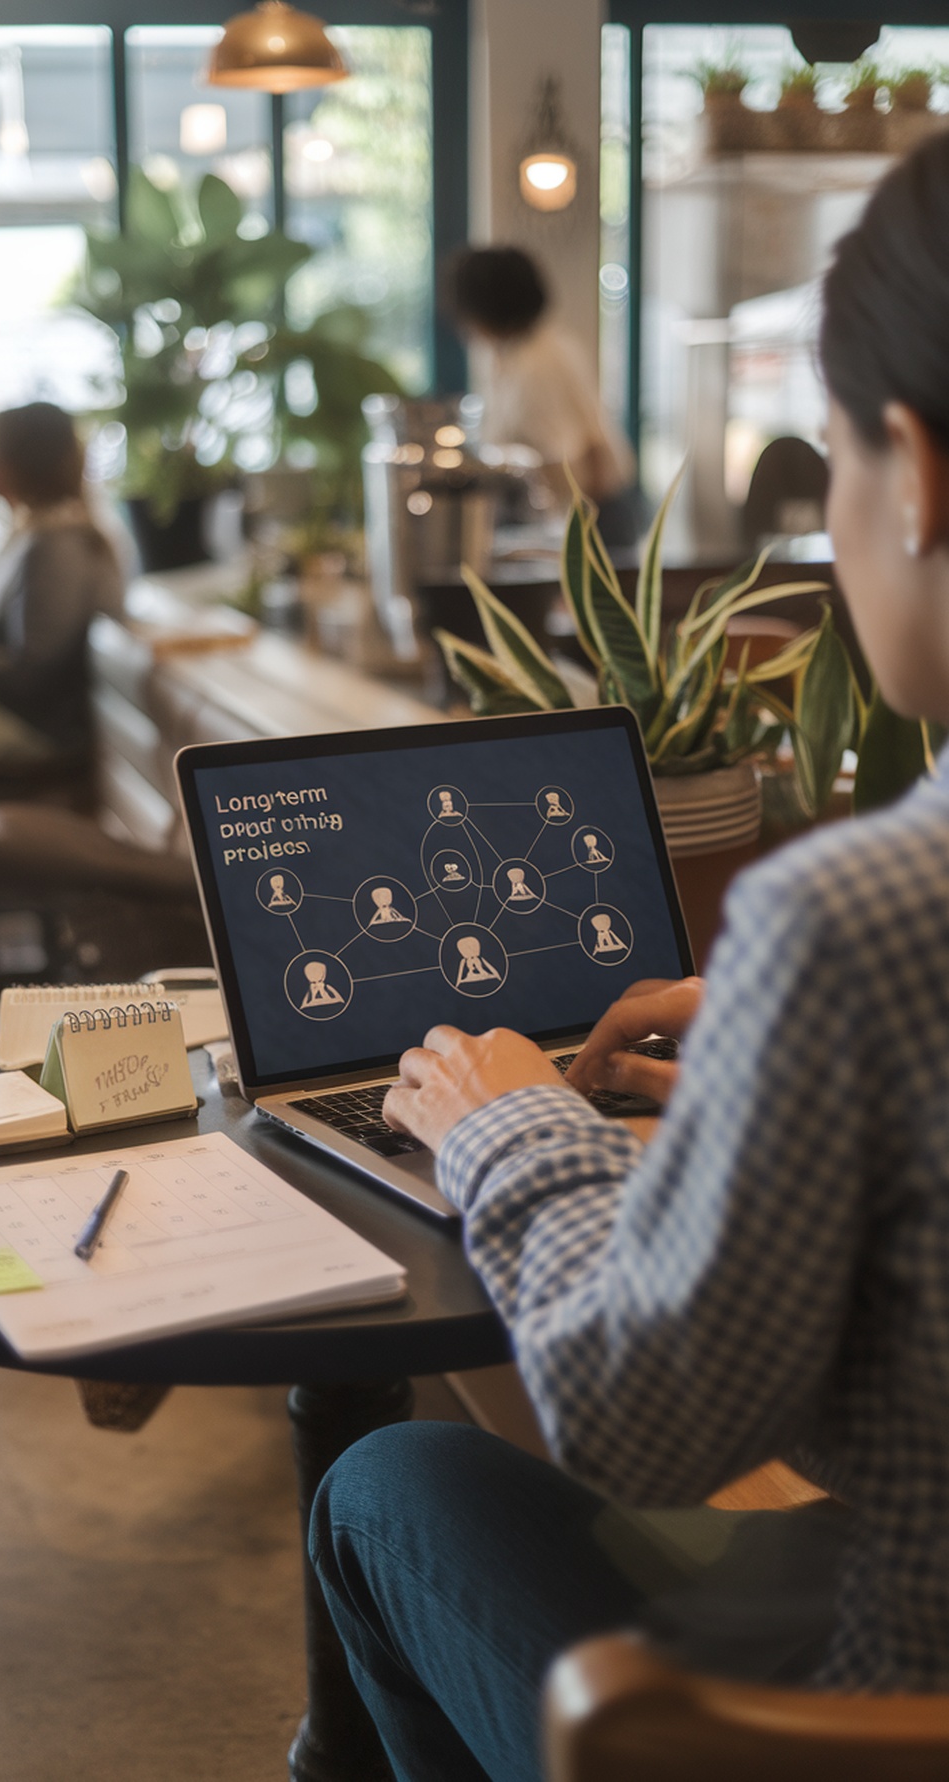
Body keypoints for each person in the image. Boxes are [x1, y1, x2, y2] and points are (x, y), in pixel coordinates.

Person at [311, 132, 949, 1782]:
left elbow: (655, 1422)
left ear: (918, 473)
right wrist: (786, 1099)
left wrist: (506, 1123)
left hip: (870, 1711)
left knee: (385, 1488)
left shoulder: (868, 915)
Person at [0, 402, 123, 775]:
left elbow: (32, 677)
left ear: (22, 460)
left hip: (32, 730)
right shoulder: (32, 533)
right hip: (1, 710)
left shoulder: (58, 545)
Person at [443, 244, 646, 546]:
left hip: (590, 517)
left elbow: (577, 461)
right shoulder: (539, 347)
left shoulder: (534, 367)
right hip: (595, 510)